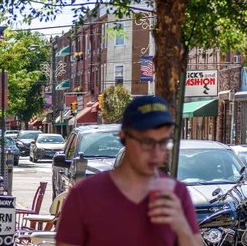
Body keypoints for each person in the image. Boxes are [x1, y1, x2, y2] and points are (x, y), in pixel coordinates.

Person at [56, 95, 202, 246]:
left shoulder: (177, 193)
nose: (155, 152)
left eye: (163, 142)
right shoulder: (84, 195)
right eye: (147, 142)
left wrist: (182, 227)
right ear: (123, 136)